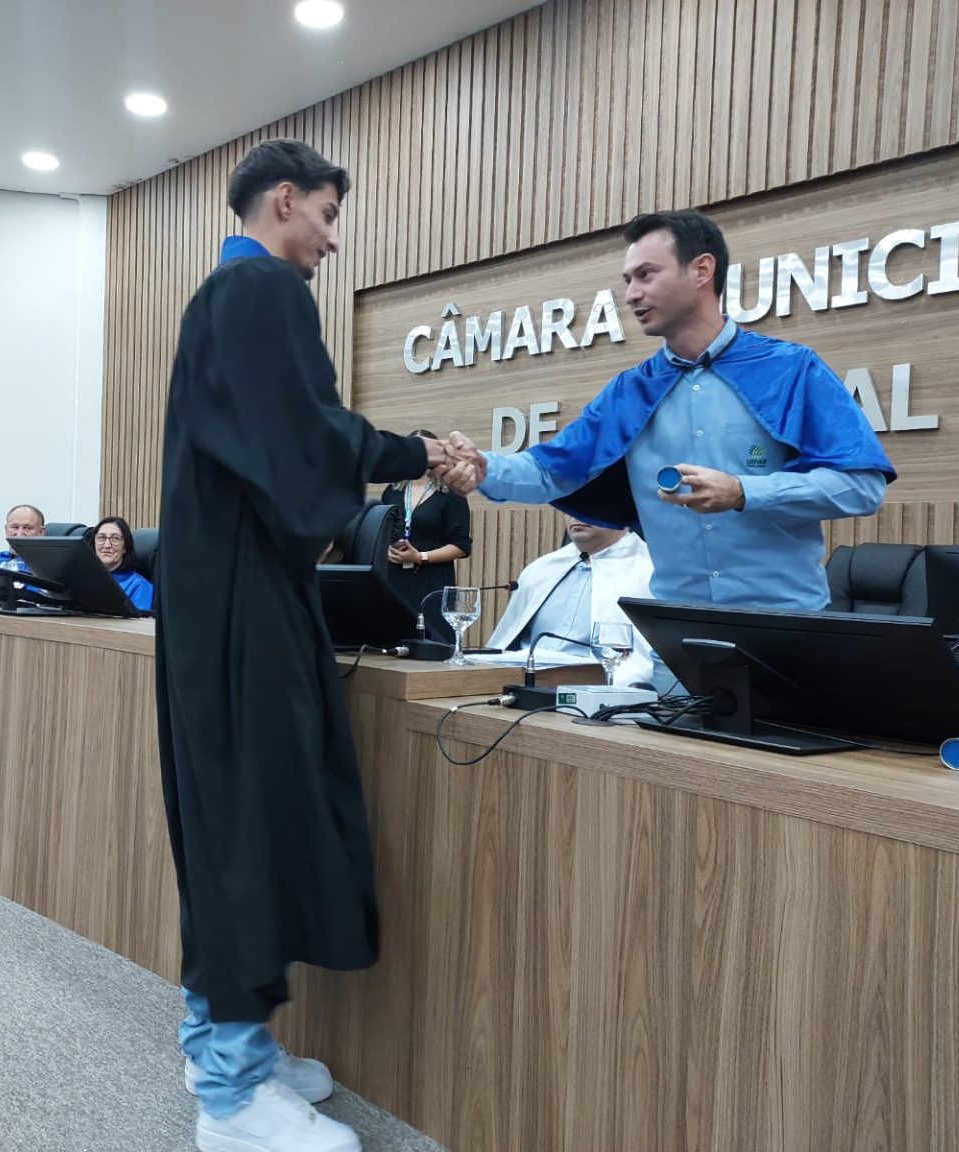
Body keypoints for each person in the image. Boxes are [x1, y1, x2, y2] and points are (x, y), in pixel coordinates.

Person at [156, 138, 445, 1152]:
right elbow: (310, 440)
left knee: (234, 823)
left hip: (225, 600)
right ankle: (230, 1099)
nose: (331, 240)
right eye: (327, 215)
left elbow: (288, 442)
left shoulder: (218, 299)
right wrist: (416, 452)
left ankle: (222, 1047)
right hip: (244, 606)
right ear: (284, 199)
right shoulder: (263, 292)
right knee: (251, 828)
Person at [442, 209, 894, 619]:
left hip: (787, 631)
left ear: (701, 270)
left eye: (646, 275)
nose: (631, 295)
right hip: (675, 637)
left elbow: (862, 487)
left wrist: (744, 491)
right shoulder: (629, 391)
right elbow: (550, 470)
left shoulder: (790, 369)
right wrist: (485, 468)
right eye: (627, 280)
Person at [486, 513, 657, 688]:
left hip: (593, 687)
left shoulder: (651, 571)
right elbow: (504, 641)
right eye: (570, 507)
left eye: (587, 504)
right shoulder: (541, 568)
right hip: (521, 680)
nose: (576, 514)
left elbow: (645, 661)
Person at [378, 430, 471, 641]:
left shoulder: (452, 492)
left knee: (433, 643)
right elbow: (381, 530)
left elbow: (461, 546)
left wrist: (420, 557)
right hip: (395, 579)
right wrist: (385, 549)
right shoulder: (392, 490)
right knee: (393, 642)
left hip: (432, 581)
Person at [90, 515, 153, 612]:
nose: (107, 545)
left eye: (115, 539)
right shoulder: (85, 579)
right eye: (101, 538)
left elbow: (139, 621)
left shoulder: (139, 586)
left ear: (125, 547)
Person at [0, 503, 46, 576]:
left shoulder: (47, 564)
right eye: (15, 527)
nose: (19, 534)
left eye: (27, 528)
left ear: (41, 532)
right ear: (6, 530)